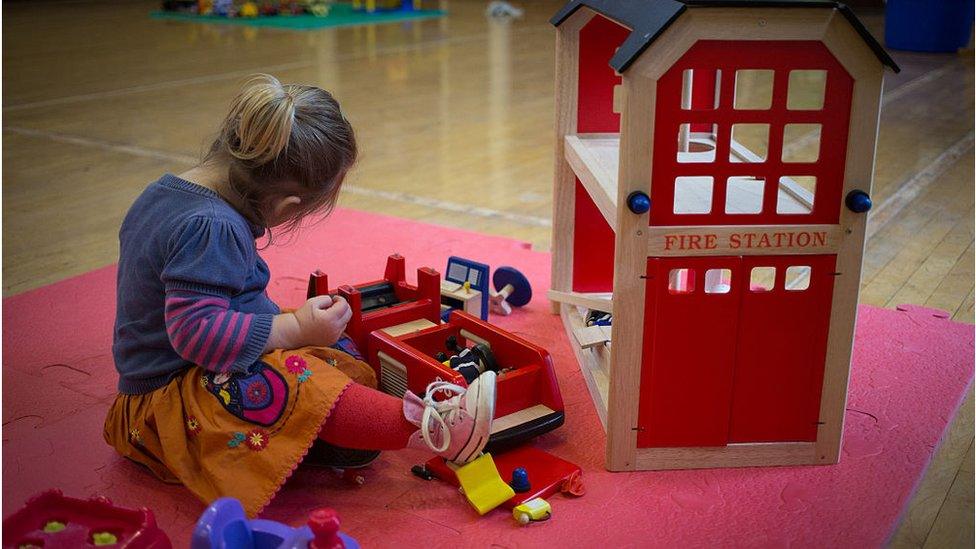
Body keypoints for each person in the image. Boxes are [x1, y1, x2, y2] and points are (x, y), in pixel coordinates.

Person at [104, 74, 496, 516]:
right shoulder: (211, 227)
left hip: (187, 374)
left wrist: (298, 327)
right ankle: (437, 429)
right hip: (168, 408)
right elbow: (197, 337)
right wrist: (291, 328)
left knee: (320, 345)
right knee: (298, 382)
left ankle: (322, 436)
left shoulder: (166, 191)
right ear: (286, 207)